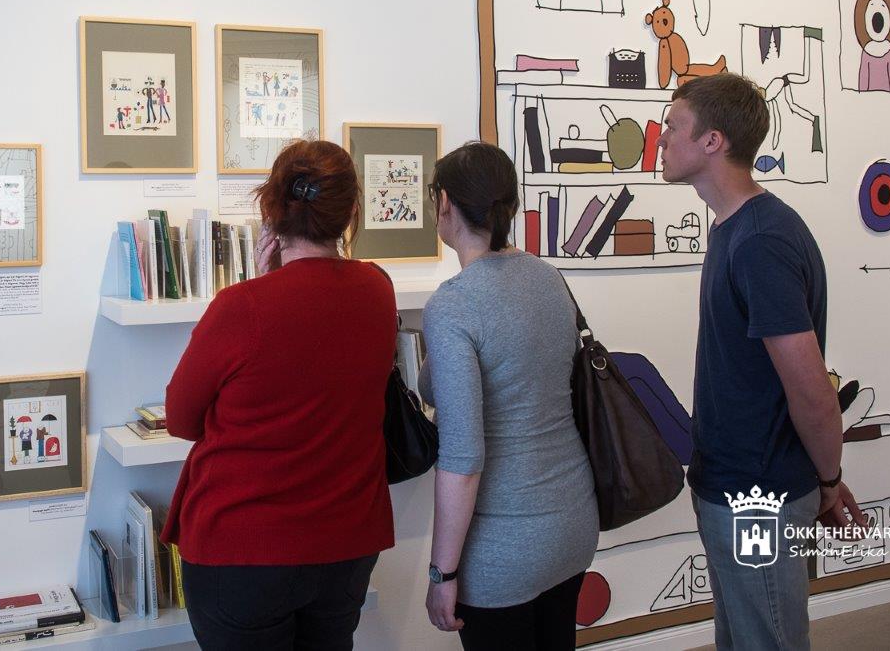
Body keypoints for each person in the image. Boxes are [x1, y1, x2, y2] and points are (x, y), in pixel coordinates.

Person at [161, 139, 396, 651]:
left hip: (243, 551)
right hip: (346, 546)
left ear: (271, 212)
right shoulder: (378, 290)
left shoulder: (241, 306)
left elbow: (180, 419)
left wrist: (264, 283)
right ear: (350, 212)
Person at [658, 73, 867, 649]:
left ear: (712, 141)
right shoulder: (732, 229)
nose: (662, 137)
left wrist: (829, 481)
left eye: (673, 125)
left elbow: (812, 391)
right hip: (731, 487)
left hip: (759, 501)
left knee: (767, 640)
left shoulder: (760, 242)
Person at [419, 141, 598, 650]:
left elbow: (463, 459)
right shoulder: (549, 279)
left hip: (503, 546)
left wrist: (441, 574)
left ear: (445, 202)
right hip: (573, 522)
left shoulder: (453, 306)